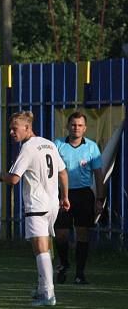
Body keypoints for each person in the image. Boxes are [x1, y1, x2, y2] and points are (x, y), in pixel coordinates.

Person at [0, 111, 70, 306]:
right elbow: (63, 172)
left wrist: (1, 176)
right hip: (52, 203)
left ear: (27, 128)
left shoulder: (28, 148)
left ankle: (48, 294)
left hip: (36, 203)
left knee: (40, 249)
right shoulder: (49, 144)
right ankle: (41, 289)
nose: (12, 132)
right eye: (11, 128)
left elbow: (14, 178)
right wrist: (64, 196)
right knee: (43, 246)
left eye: (15, 128)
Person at [52, 111, 104, 285]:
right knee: (61, 234)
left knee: (82, 233)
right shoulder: (57, 144)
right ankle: (64, 263)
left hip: (83, 194)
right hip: (62, 194)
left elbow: (98, 174)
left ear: (85, 128)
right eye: (73, 125)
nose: (76, 128)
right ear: (67, 126)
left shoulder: (92, 147)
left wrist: (99, 199)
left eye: (80, 125)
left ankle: (80, 274)